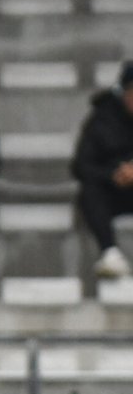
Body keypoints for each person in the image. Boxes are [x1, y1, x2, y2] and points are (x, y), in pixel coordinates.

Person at [71, 60, 133, 279]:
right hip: (111, 191)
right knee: (89, 192)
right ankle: (110, 252)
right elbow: (80, 165)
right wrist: (114, 174)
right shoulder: (102, 118)